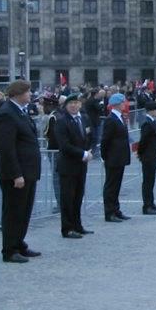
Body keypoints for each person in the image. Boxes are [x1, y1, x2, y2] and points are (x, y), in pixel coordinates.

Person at [0, 80, 43, 263]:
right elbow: (6, 148)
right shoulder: (7, 113)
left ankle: (19, 243)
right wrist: (16, 174)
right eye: (27, 91)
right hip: (17, 173)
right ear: (17, 93)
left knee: (24, 211)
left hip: (28, 170)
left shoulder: (20, 111)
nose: (30, 94)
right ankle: (9, 249)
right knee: (13, 211)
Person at [53, 94, 93, 239]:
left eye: (76, 103)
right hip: (68, 165)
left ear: (80, 105)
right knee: (67, 198)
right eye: (71, 103)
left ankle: (77, 225)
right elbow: (64, 145)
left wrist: (89, 150)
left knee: (78, 197)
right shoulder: (62, 121)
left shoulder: (83, 119)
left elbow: (88, 137)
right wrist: (82, 153)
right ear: (66, 105)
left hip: (81, 164)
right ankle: (67, 228)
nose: (74, 106)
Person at [100, 93, 132, 223]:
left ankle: (116, 209)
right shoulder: (111, 119)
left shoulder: (119, 118)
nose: (125, 104)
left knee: (117, 185)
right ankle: (109, 212)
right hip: (113, 157)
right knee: (111, 186)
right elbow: (105, 140)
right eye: (123, 102)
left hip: (119, 156)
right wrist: (104, 156)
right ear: (118, 104)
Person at [136, 109, 156, 215]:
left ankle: (151, 203)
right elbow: (143, 140)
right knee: (147, 181)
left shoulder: (152, 121)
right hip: (148, 156)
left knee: (151, 181)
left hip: (153, 155)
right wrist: (140, 153)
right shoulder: (147, 123)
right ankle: (146, 206)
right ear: (151, 111)